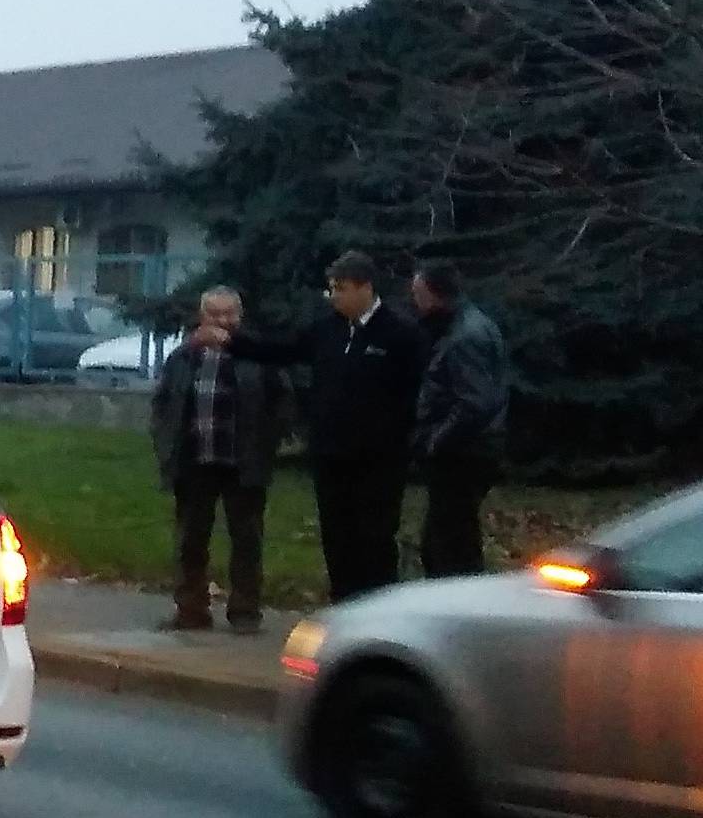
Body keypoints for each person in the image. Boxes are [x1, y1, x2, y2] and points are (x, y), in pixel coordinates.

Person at [200, 248, 424, 603]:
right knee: (337, 536)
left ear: (364, 288)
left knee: (375, 537)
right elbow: (283, 349)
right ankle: (343, 603)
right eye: (331, 289)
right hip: (331, 453)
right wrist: (234, 341)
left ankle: (379, 608)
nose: (334, 296)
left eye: (341, 288)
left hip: (379, 459)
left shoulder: (399, 333)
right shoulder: (327, 329)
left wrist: (400, 439)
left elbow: (414, 393)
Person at [150, 285, 292, 632]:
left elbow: (283, 402)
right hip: (194, 459)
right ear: (202, 317)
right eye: (215, 314)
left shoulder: (255, 355)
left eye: (230, 314)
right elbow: (163, 404)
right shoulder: (184, 357)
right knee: (190, 539)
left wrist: (267, 442)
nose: (223, 321)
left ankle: (245, 611)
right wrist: (166, 446)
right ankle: (191, 610)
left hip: (243, 461)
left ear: (240, 317)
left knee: (247, 539)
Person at [410, 260, 509, 579]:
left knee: (449, 545)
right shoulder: (466, 327)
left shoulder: (464, 337)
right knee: (450, 539)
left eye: (418, 293)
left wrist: (436, 440)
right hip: (467, 451)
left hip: (463, 455)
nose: (415, 302)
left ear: (434, 294)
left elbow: (475, 403)